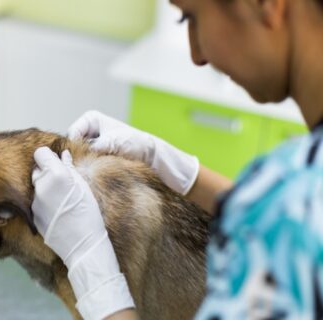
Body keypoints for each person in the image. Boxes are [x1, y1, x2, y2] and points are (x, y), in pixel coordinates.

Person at [31, 0, 323, 319]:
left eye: (191, 17)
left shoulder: (292, 210)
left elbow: (290, 215)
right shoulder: (296, 197)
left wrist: (91, 268)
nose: (197, 55)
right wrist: (181, 171)